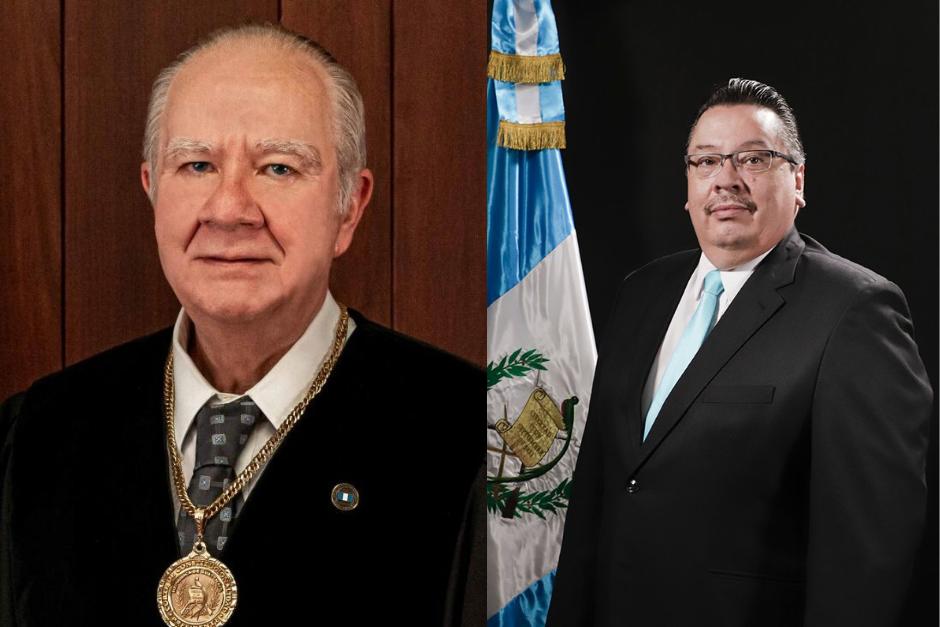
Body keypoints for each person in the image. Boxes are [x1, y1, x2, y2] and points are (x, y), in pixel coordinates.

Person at [0, 24, 482, 626]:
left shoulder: (465, 433)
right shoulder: (42, 433)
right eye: (196, 165)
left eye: (278, 168)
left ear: (349, 206)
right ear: (152, 190)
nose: (229, 209)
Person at [546, 78, 932, 626]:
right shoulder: (641, 293)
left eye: (752, 158)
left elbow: (869, 549)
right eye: (706, 162)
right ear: (687, 184)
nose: (725, 179)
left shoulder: (855, 311)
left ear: (797, 180)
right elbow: (600, 494)